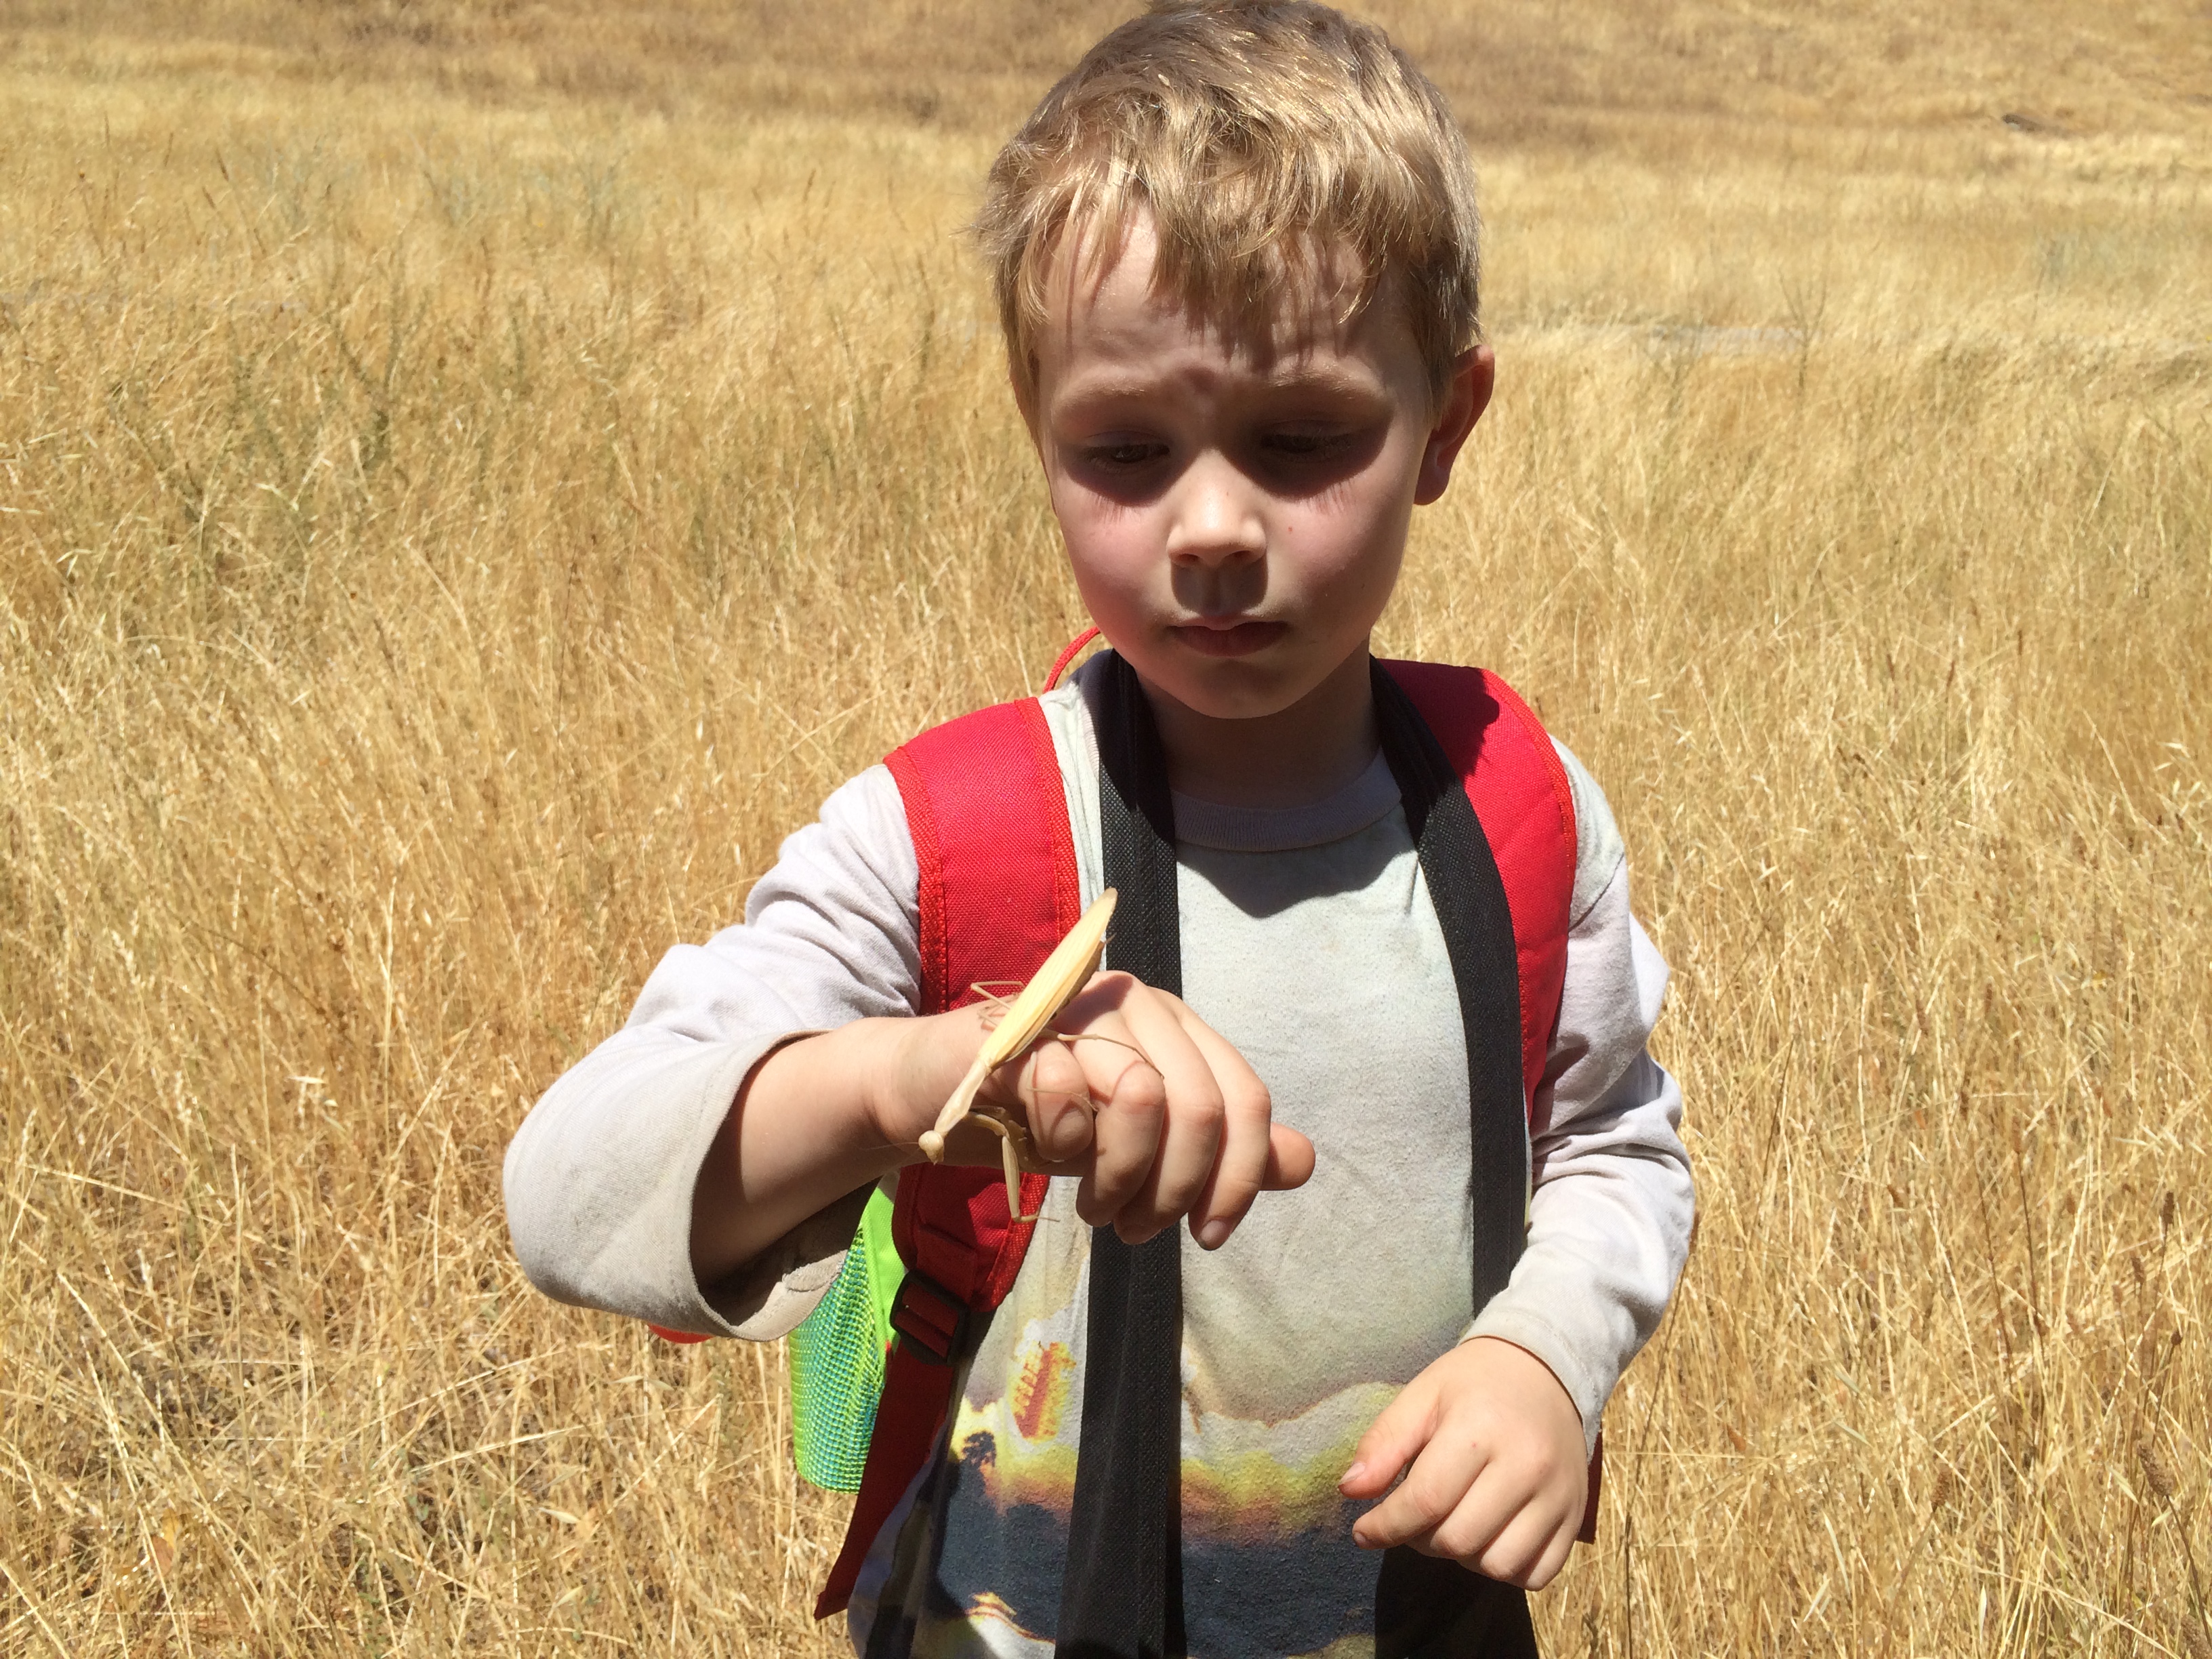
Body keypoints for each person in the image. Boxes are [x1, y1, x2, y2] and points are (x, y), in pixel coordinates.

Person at [504, 3, 1694, 1654]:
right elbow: (566, 1194)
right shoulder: (950, 834)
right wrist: (940, 1078)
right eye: (1126, 450)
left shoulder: (1518, 806)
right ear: (1036, 421)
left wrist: (1544, 1355)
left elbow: (1614, 1146)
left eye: (1302, 439)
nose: (1212, 527)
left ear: (1448, 422)